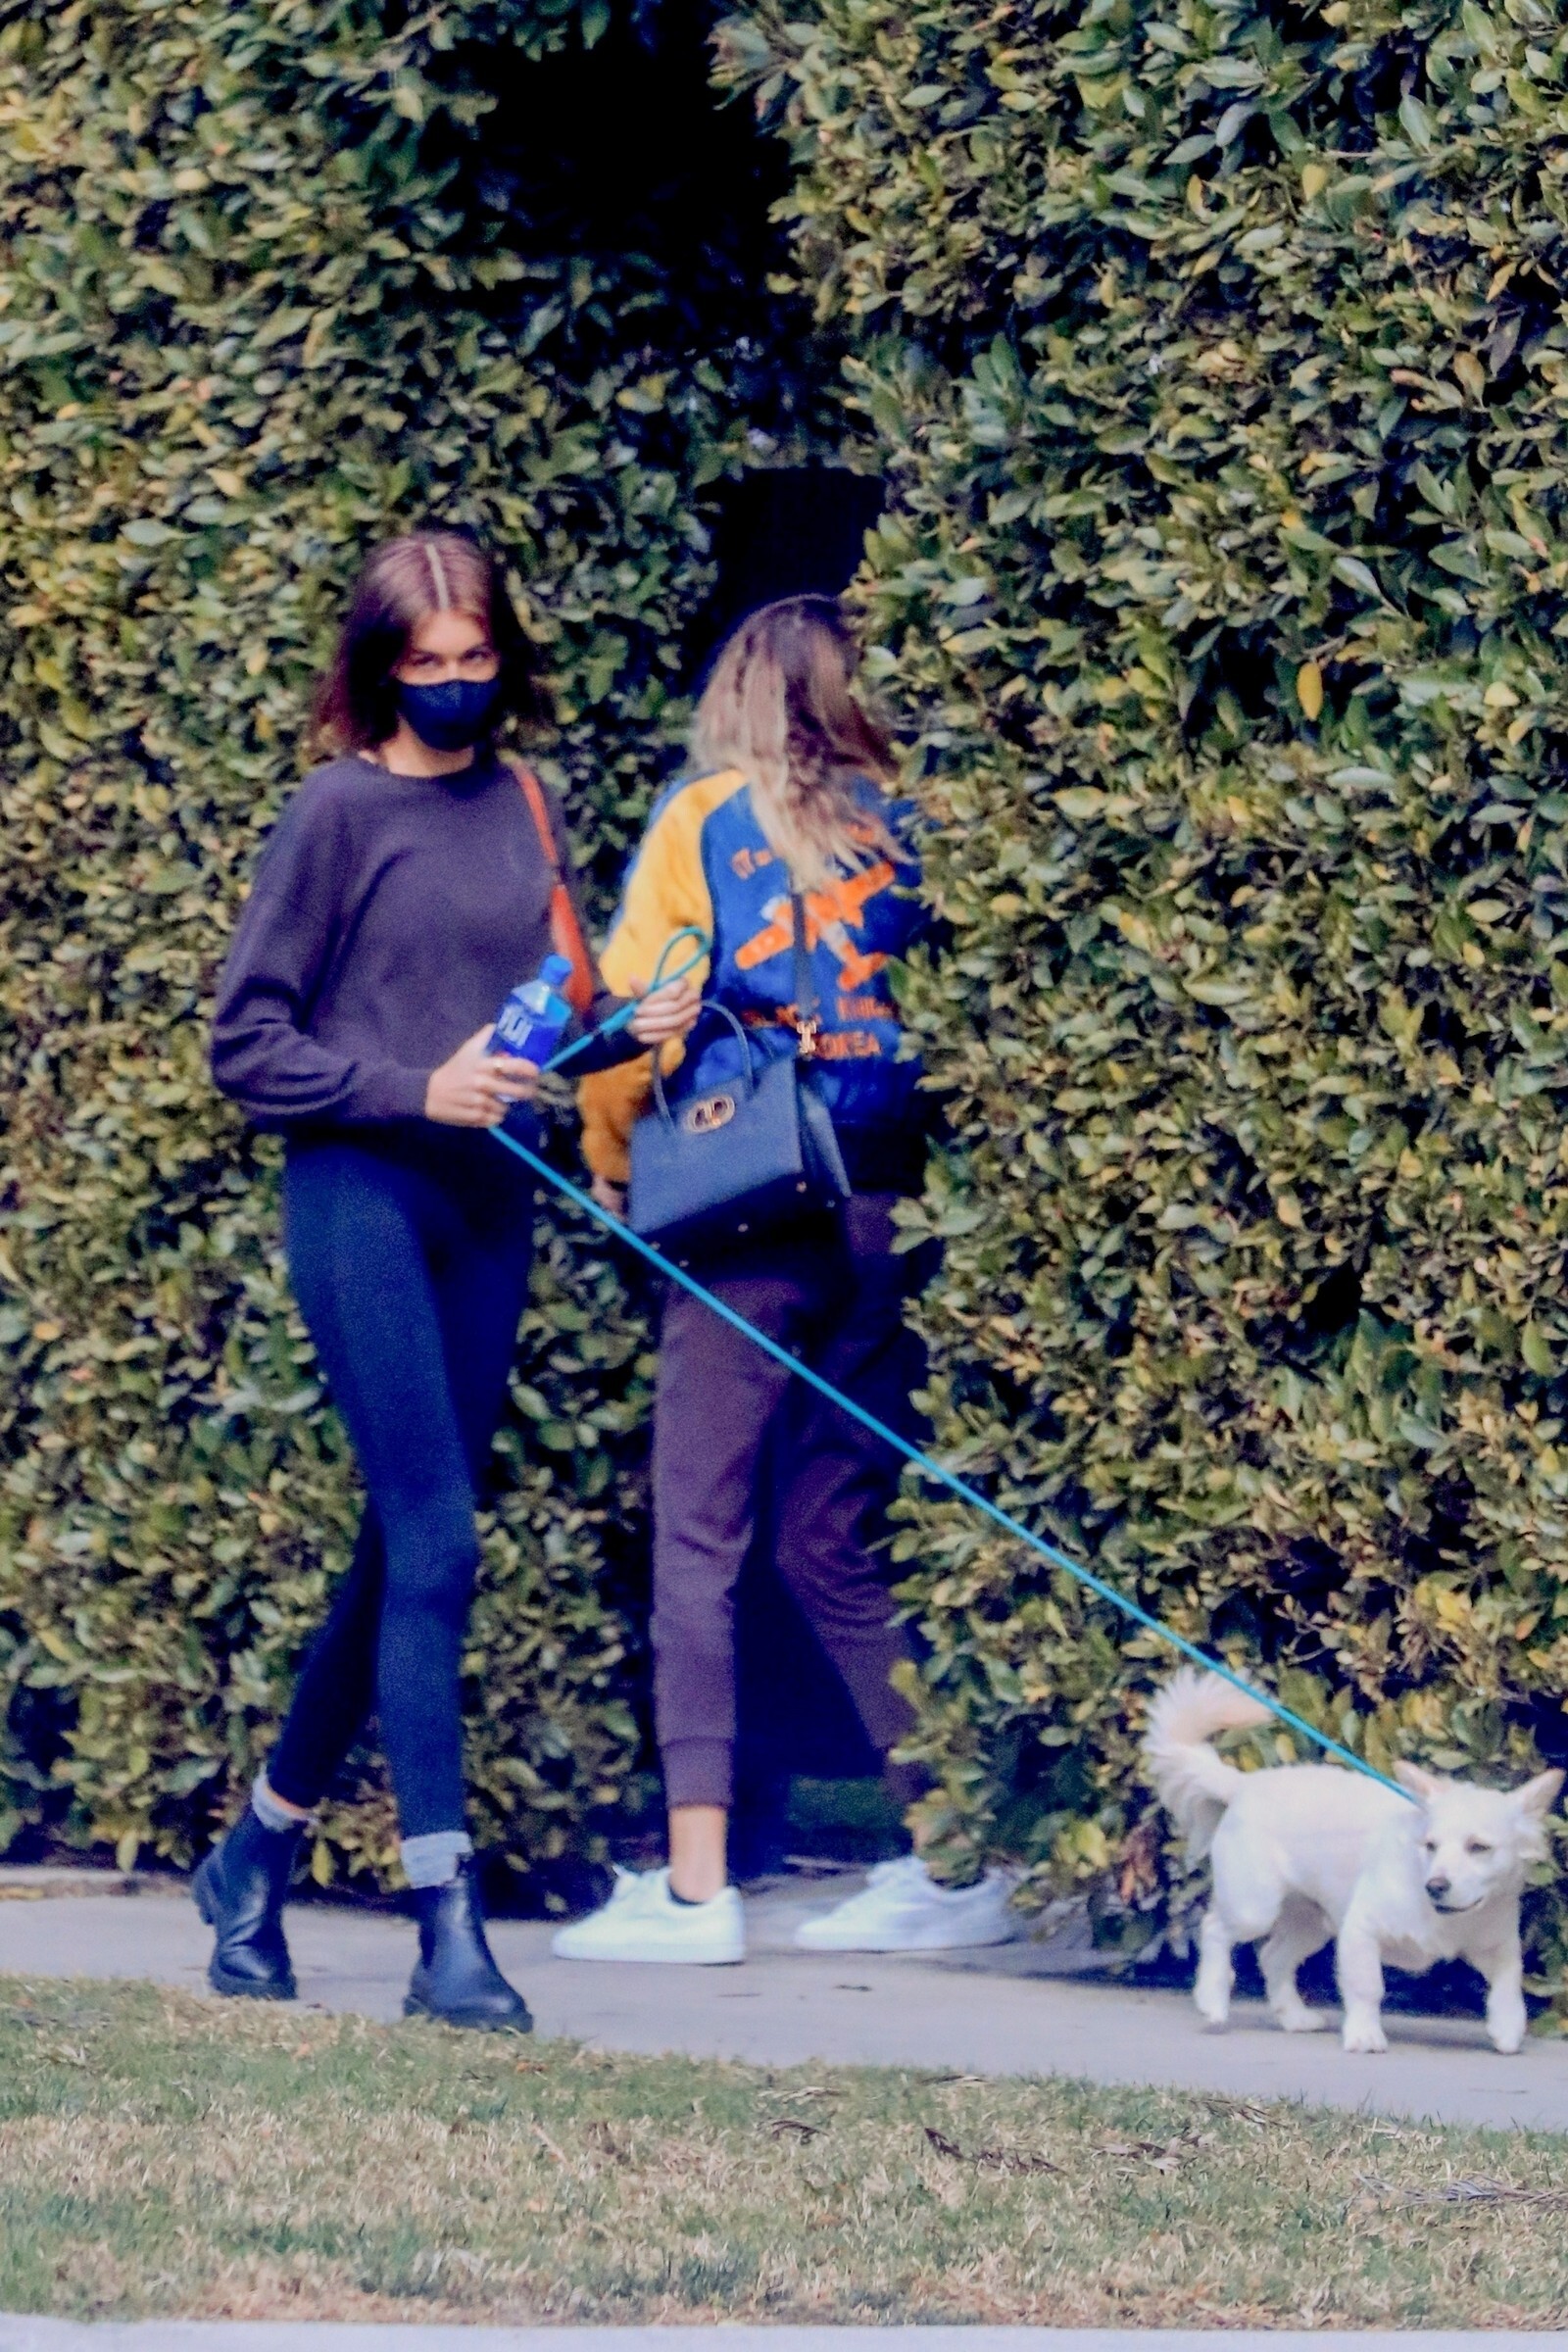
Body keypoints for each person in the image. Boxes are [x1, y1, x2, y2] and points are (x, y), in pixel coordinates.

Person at [204, 530, 698, 2028]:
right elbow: (246, 1044)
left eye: (476, 658)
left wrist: (631, 1026)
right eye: (426, 664)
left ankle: (253, 1858)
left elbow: (539, 1027)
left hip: (489, 1206)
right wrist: (411, 1090)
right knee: (439, 1541)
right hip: (362, 1194)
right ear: (380, 670)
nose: (455, 684)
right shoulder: (335, 813)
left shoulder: (523, 800)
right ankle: (446, 1927)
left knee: (406, 1551)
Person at [556, 594, 1016, 1963]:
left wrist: (614, 1168)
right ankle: (952, 1861)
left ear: (738, 697)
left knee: (698, 1538)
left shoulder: (705, 820)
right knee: (831, 1531)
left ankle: (698, 1891)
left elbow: (634, 1018)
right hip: (888, 1213)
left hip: (747, 1208)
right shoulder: (917, 828)